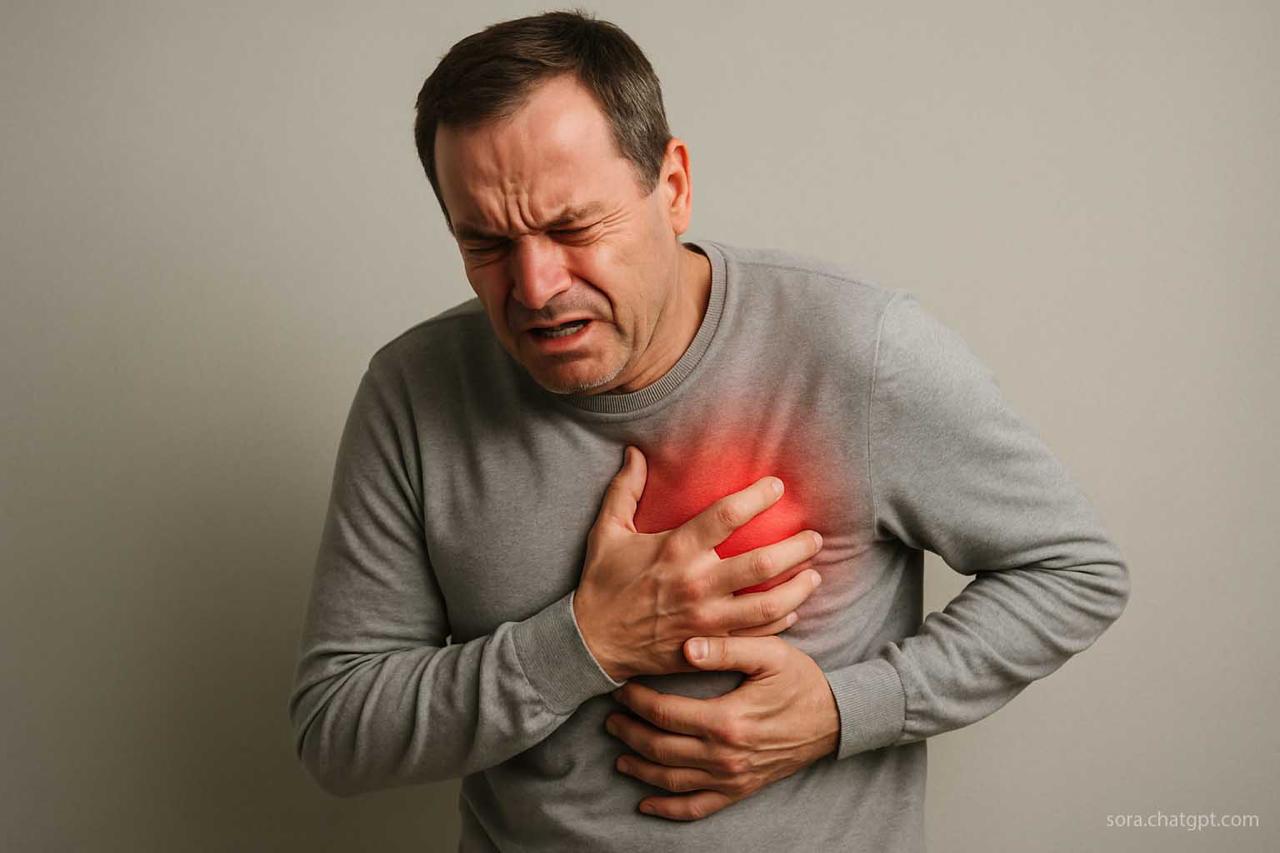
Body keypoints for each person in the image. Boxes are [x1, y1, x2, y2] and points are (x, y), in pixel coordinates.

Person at [287, 10, 1130, 852]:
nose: (535, 286)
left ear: (674, 187)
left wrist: (842, 711)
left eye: (573, 228)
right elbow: (337, 727)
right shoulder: (414, 392)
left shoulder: (857, 350)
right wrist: (587, 640)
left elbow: (1074, 570)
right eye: (486, 243)